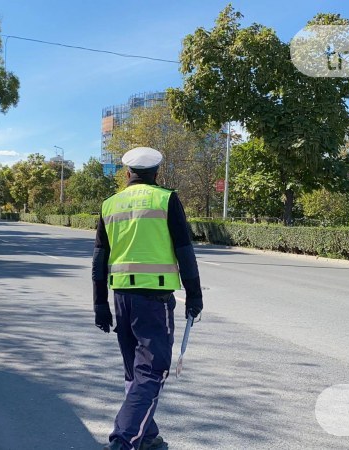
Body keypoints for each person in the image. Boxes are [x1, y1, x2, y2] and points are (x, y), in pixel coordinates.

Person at [92, 146, 204, 450]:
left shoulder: (110, 204)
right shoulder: (166, 198)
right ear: (157, 173)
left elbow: (99, 259)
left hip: (121, 300)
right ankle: (123, 441)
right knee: (151, 372)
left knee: (135, 371)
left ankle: (149, 437)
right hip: (153, 300)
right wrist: (194, 295)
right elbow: (184, 251)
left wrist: (99, 303)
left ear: (127, 173)